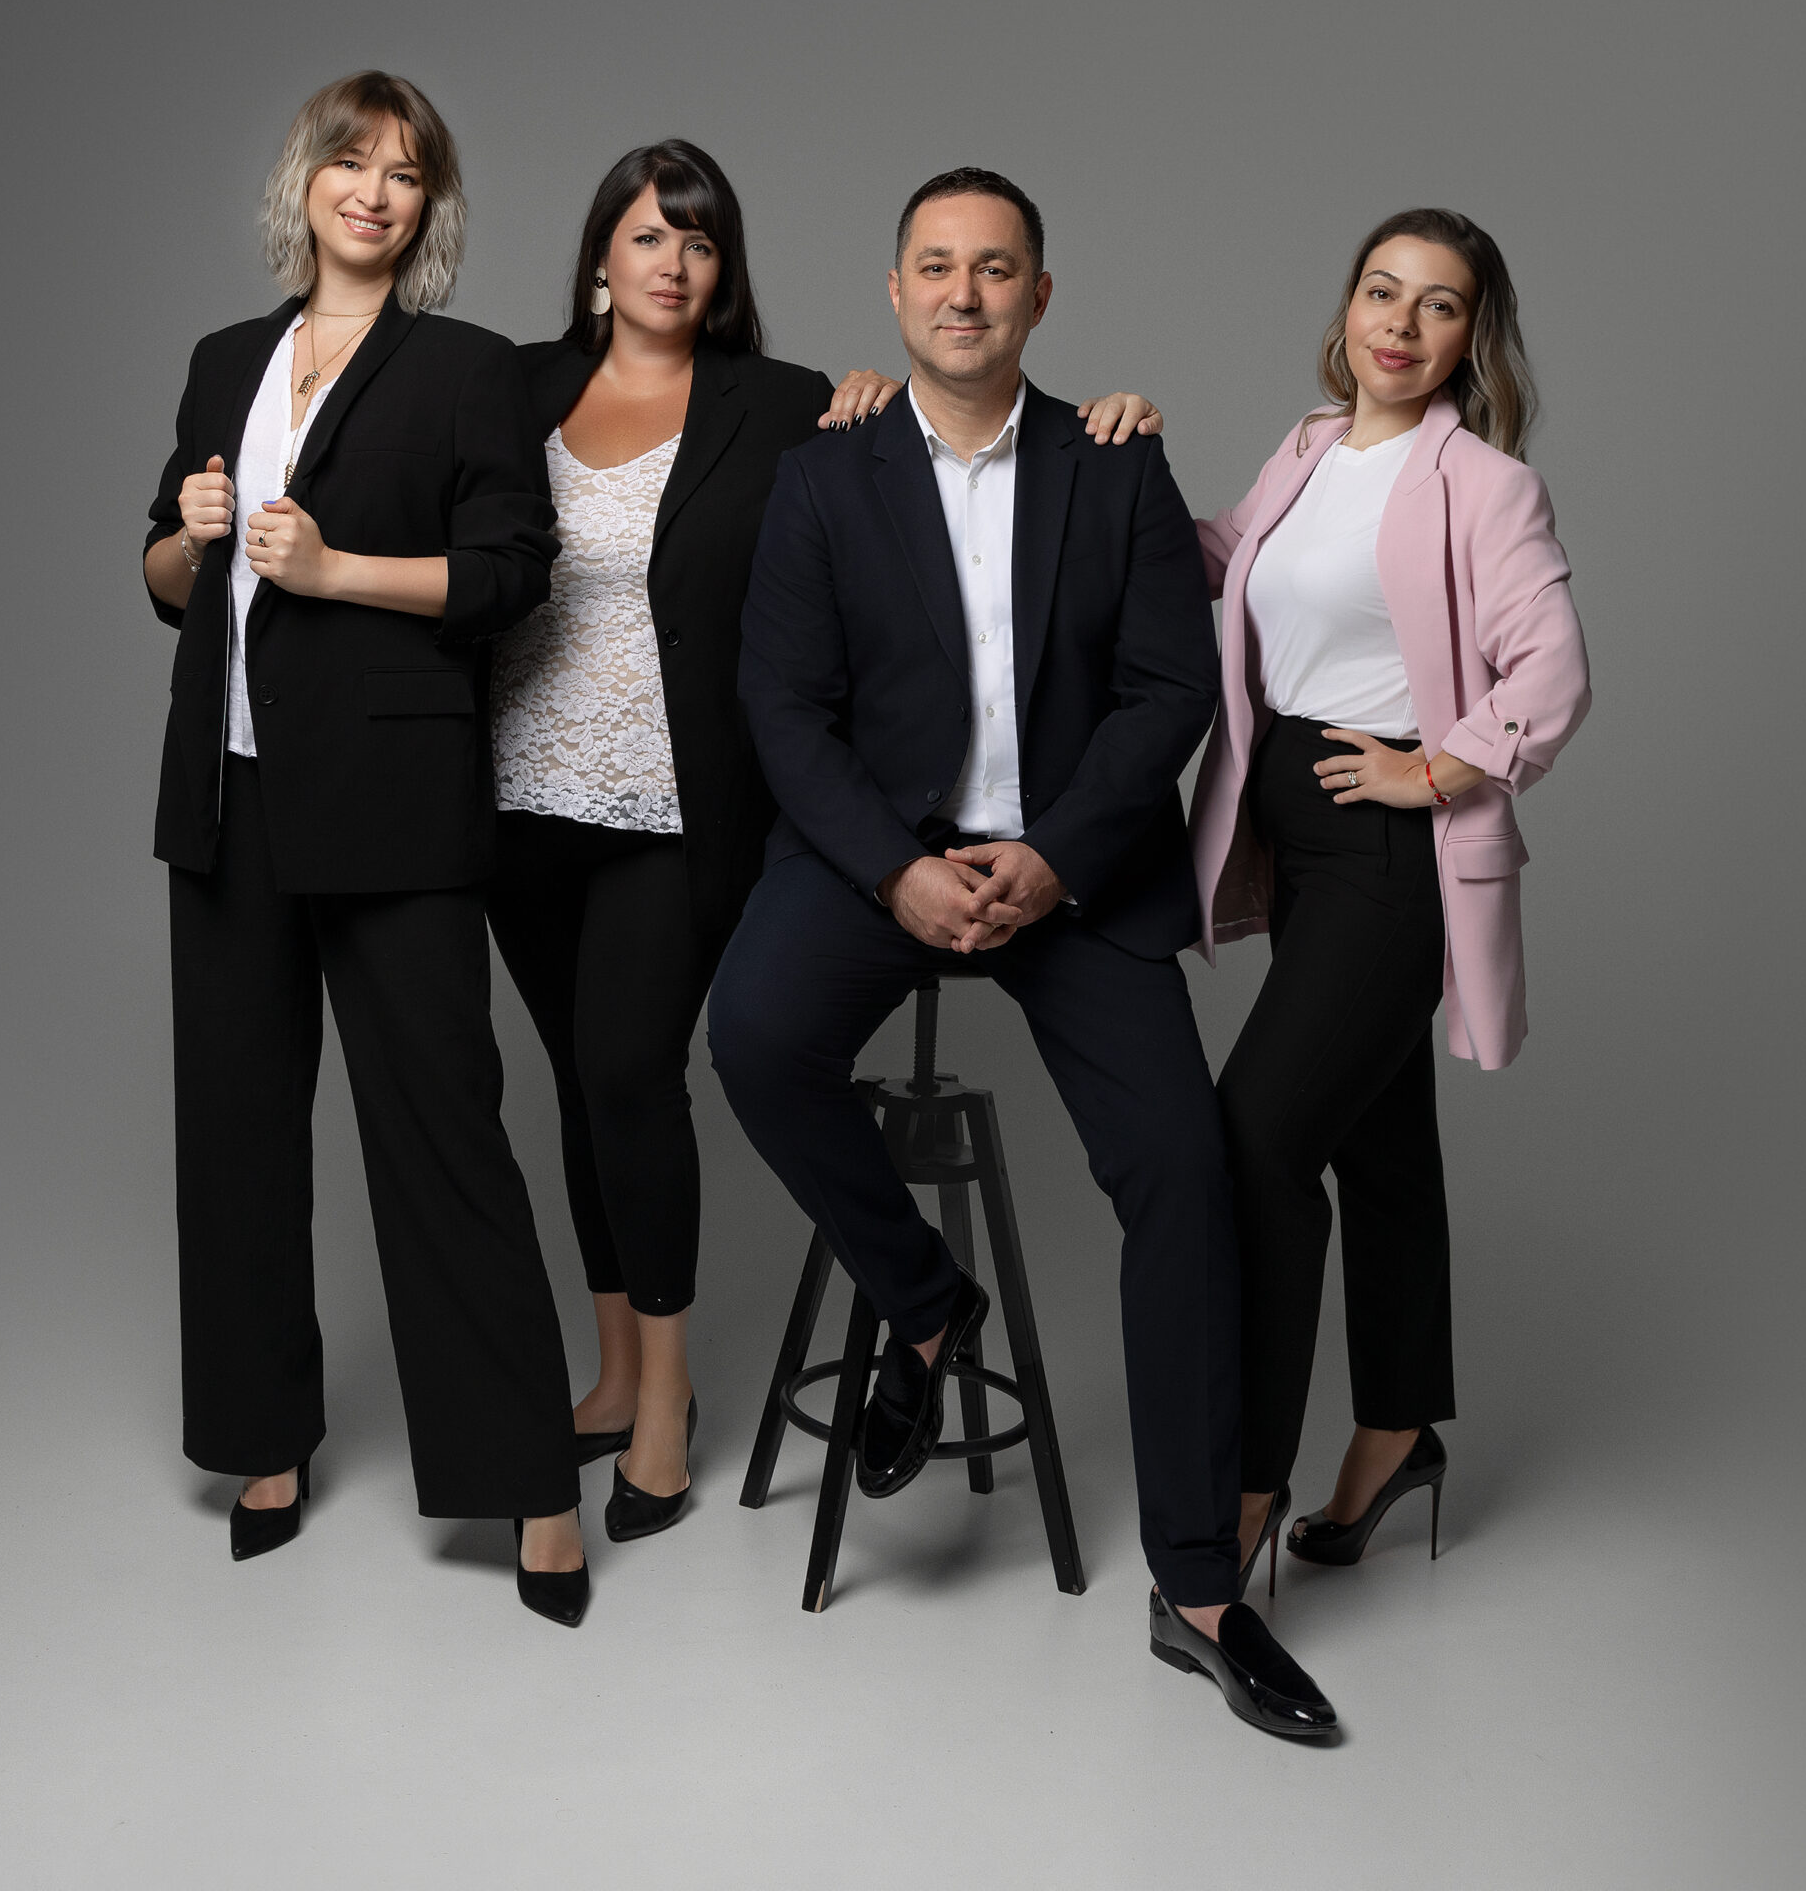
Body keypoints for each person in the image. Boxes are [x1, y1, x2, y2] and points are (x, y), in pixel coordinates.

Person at [707, 168, 1340, 1741]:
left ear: (1041, 296)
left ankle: (1199, 1586)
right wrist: (895, 871)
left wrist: (1052, 860)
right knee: (757, 1039)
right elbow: (782, 705)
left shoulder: (1113, 461)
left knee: (1184, 1176)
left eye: (997, 269)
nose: (966, 293)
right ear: (898, 290)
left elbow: (1167, 691)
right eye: (937, 267)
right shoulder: (827, 473)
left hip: (1074, 870)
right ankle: (928, 1308)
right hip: (883, 863)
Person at [487, 140, 1161, 1542]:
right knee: (578, 1087)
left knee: (634, 1069)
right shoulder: (521, 388)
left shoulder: (793, 403)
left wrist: (1092, 420)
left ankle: (663, 1408)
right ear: (599, 259)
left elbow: (931, 425)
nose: (674, 263)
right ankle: (614, 1369)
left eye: (702, 242)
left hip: (685, 804)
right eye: (648, 238)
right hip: (525, 791)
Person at [142, 69, 590, 1627]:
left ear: (429, 209)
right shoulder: (225, 361)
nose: (376, 191)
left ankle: (532, 1480)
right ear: (307, 182)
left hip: (397, 805)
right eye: (352, 161)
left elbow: (511, 576)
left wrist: (333, 569)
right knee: (239, 1136)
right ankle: (264, 1445)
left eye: (408, 173)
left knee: (443, 1137)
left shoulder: (468, 370)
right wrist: (189, 538)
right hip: (231, 794)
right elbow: (157, 575)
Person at [1188, 208, 1589, 1590]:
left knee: (1256, 1140)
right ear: (1348, 305)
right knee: (1381, 1144)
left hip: (1387, 857)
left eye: (1438, 305)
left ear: (1473, 337)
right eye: (1381, 290)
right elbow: (1218, 563)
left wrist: (1446, 767)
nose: (1400, 325)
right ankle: (1399, 1424)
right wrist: (1100, 465)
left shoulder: (1482, 483)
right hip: (1293, 832)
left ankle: (1245, 1483)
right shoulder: (1305, 448)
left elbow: (1551, 670)